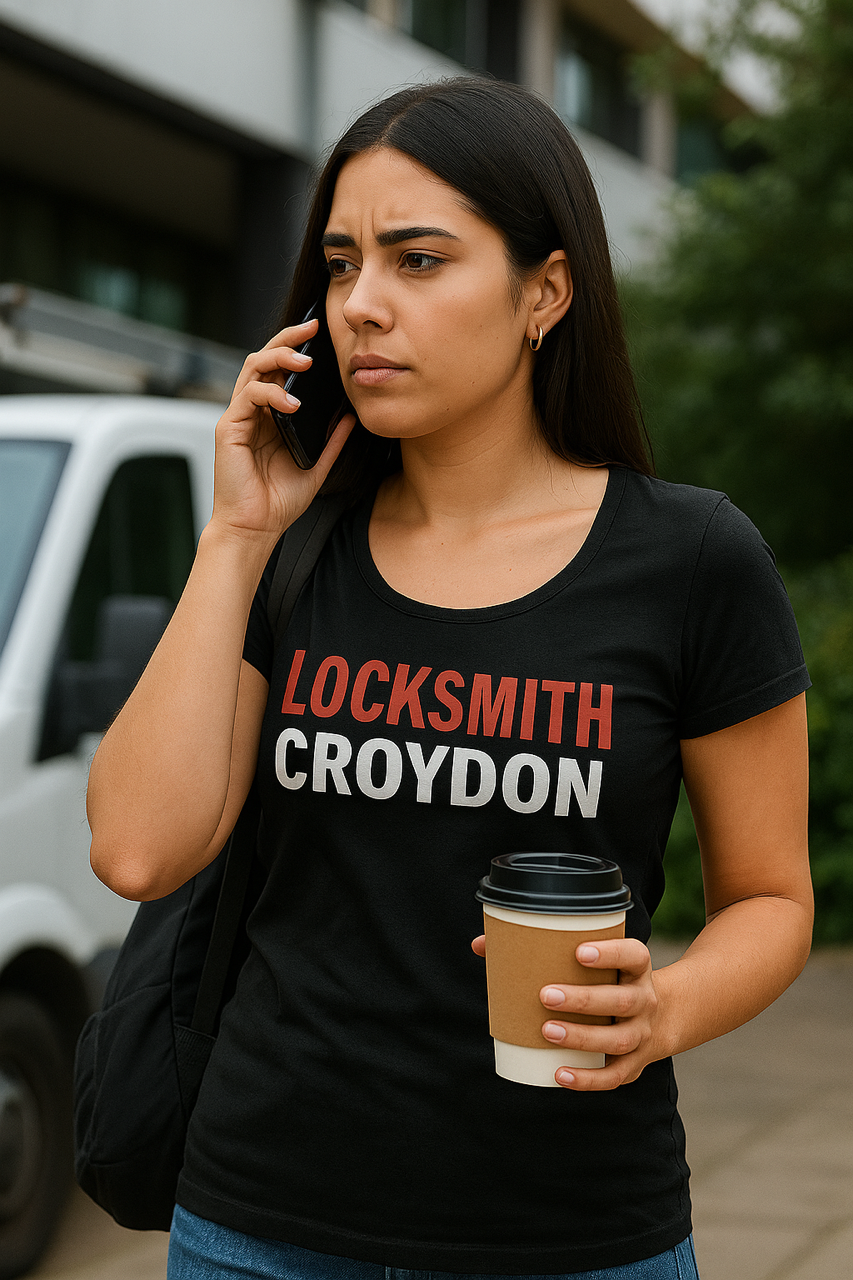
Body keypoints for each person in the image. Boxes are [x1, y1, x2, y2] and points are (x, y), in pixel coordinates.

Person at [86, 78, 812, 1280]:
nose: (361, 305)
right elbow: (140, 852)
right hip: (261, 1225)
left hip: (571, 1232)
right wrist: (235, 539)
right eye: (340, 262)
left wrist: (665, 1008)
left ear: (546, 291)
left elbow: (772, 899)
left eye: (417, 261)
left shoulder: (688, 560)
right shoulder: (295, 546)